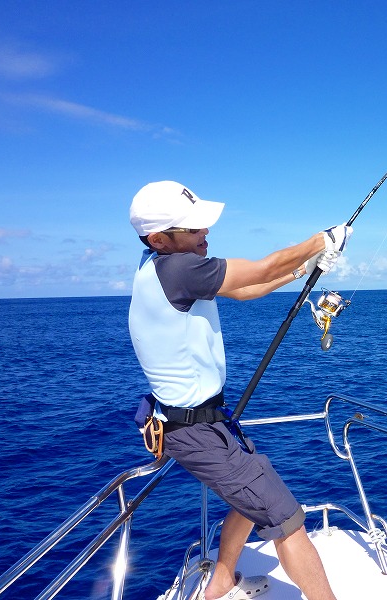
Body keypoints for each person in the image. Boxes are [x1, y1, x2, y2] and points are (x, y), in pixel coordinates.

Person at [128, 180, 349, 600]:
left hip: (202, 421)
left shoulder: (161, 267)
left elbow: (248, 289)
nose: (205, 233)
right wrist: (321, 240)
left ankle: (222, 580)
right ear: (159, 239)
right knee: (287, 520)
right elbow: (262, 269)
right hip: (194, 429)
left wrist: (305, 268)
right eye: (193, 228)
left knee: (249, 498)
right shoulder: (179, 269)